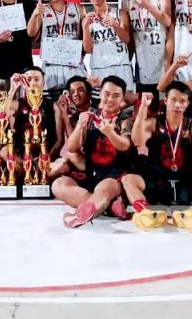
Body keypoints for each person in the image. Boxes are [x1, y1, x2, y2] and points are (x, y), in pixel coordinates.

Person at [127, 86, 192, 232]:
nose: (177, 104)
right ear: (165, 100)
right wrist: (142, 109)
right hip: (157, 180)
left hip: (185, 179)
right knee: (128, 179)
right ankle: (146, 214)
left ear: (187, 104)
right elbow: (137, 140)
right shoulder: (153, 123)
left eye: (182, 101)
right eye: (173, 100)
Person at [53, 76, 133, 228]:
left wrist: (110, 133)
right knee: (59, 184)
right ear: (100, 93)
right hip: (92, 173)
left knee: (106, 187)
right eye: (107, 94)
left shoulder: (126, 118)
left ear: (122, 98)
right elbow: (72, 147)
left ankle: (81, 215)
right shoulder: (90, 116)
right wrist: (80, 126)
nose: (110, 99)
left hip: (114, 175)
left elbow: (125, 145)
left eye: (116, 96)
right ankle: (107, 206)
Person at [27, 0, 85, 99]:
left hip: (73, 66)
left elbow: (84, 38)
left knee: (75, 104)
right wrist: (35, 14)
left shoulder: (78, 9)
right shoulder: (42, 10)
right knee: (51, 108)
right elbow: (31, 34)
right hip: (51, 67)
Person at [121, 0, 172, 98]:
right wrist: (128, 61)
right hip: (142, 63)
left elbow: (167, 21)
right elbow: (129, 36)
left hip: (163, 59)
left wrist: (149, 6)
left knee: (163, 103)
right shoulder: (127, 2)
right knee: (146, 106)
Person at [83, 0, 134, 90]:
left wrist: (115, 25)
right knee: (102, 105)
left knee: (125, 104)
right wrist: (86, 26)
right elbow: (87, 49)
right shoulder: (86, 19)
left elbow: (126, 39)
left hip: (121, 66)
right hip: (99, 68)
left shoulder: (119, 14)